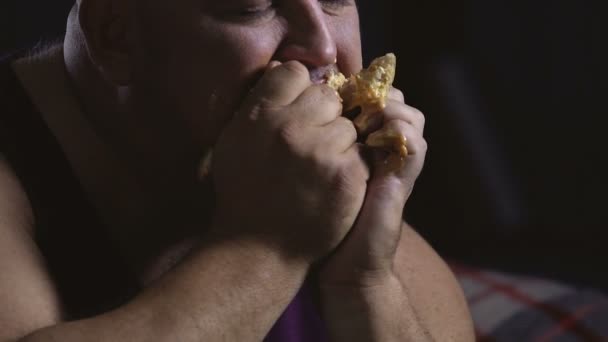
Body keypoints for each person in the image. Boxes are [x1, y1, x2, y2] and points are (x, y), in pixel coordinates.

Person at [0, 0, 474, 340]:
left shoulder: (308, 170)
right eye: (252, 8)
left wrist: (367, 282)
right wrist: (268, 244)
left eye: (334, 0)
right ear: (115, 35)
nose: (323, 49)